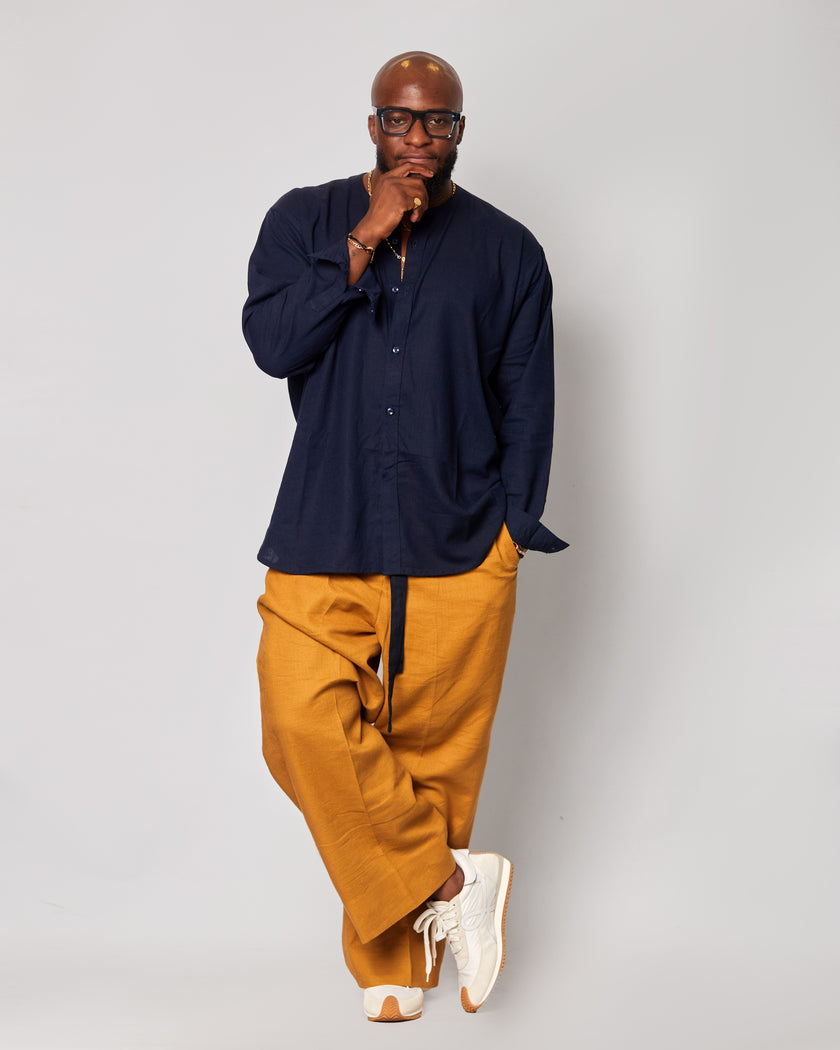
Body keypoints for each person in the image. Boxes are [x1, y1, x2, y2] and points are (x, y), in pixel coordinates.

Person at [242, 50, 567, 1022]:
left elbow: (528, 401)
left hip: (460, 535)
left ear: (460, 132)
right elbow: (273, 346)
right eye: (400, 119)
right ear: (372, 123)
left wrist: (512, 530)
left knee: (433, 754)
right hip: (326, 522)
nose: (418, 138)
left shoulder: (509, 251)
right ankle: (454, 884)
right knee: (299, 721)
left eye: (437, 123)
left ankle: (397, 962)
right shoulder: (303, 220)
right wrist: (366, 236)